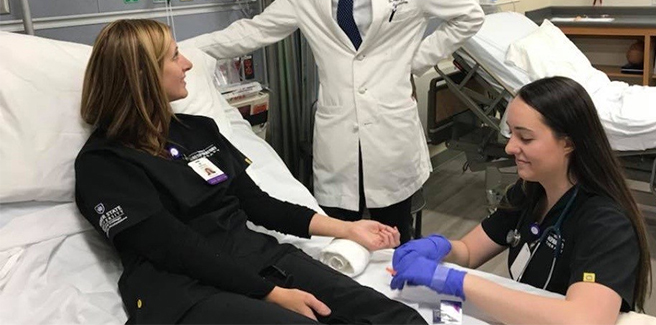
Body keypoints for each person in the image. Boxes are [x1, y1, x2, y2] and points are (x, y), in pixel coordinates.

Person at [185, 0, 484, 243]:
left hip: (392, 135)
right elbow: (256, 31)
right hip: (338, 136)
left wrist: (413, 62)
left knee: (397, 241)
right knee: (339, 241)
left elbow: (470, 15)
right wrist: (181, 48)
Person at [74, 19, 426, 324]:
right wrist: (270, 293)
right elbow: (174, 248)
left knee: (395, 316)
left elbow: (259, 205)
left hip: (259, 260)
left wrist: (348, 229)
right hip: (184, 290)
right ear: (143, 74)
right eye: (174, 55)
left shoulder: (199, 130)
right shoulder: (105, 164)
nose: (187, 64)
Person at [389, 76, 652, 324]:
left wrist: (458, 282)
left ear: (569, 143)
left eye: (525, 137)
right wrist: (439, 247)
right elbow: (469, 252)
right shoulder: (529, 191)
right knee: (414, 314)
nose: (510, 147)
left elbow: (584, 318)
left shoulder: (606, 222)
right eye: (511, 133)